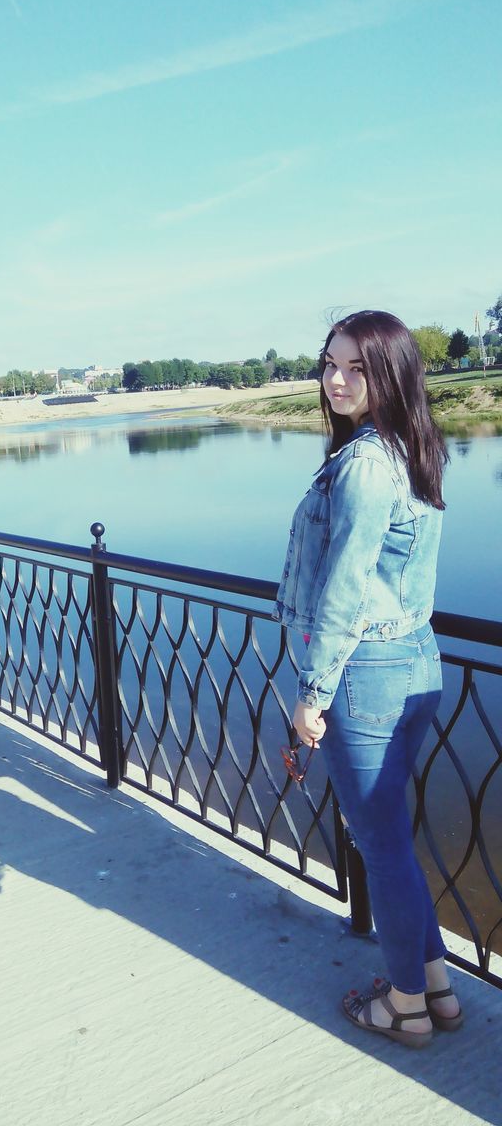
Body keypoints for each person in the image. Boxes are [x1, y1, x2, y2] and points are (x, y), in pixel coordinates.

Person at [274, 309, 463, 1048]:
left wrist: (311, 698)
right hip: (417, 660)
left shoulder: (359, 466)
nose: (336, 379)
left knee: (379, 847)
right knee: (391, 839)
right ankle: (439, 988)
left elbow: (344, 592)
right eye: (329, 364)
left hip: (365, 677)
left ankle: (405, 1008)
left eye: (355, 367)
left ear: (389, 373)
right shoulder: (413, 448)